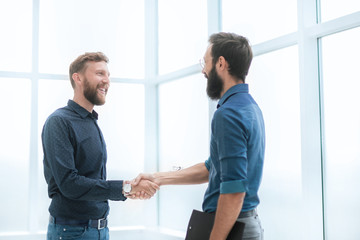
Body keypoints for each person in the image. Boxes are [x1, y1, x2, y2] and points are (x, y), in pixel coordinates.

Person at [132, 32, 265, 240]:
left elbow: (234, 190)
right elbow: (213, 167)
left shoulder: (228, 114)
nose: (203, 70)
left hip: (232, 228)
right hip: (244, 223)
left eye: (206, 62)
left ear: (221, 63)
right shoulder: (249, 107)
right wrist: (159, 177)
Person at [42, 52, 159, 240]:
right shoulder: (59, 122)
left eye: (108, 75)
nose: (107, 81)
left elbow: (93, 181)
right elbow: (69, 184)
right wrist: (125, 188)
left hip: (100, 229)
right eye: (99, 74)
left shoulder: (91, 122)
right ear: (77, 78)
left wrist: (128, 191)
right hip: (72, 232)